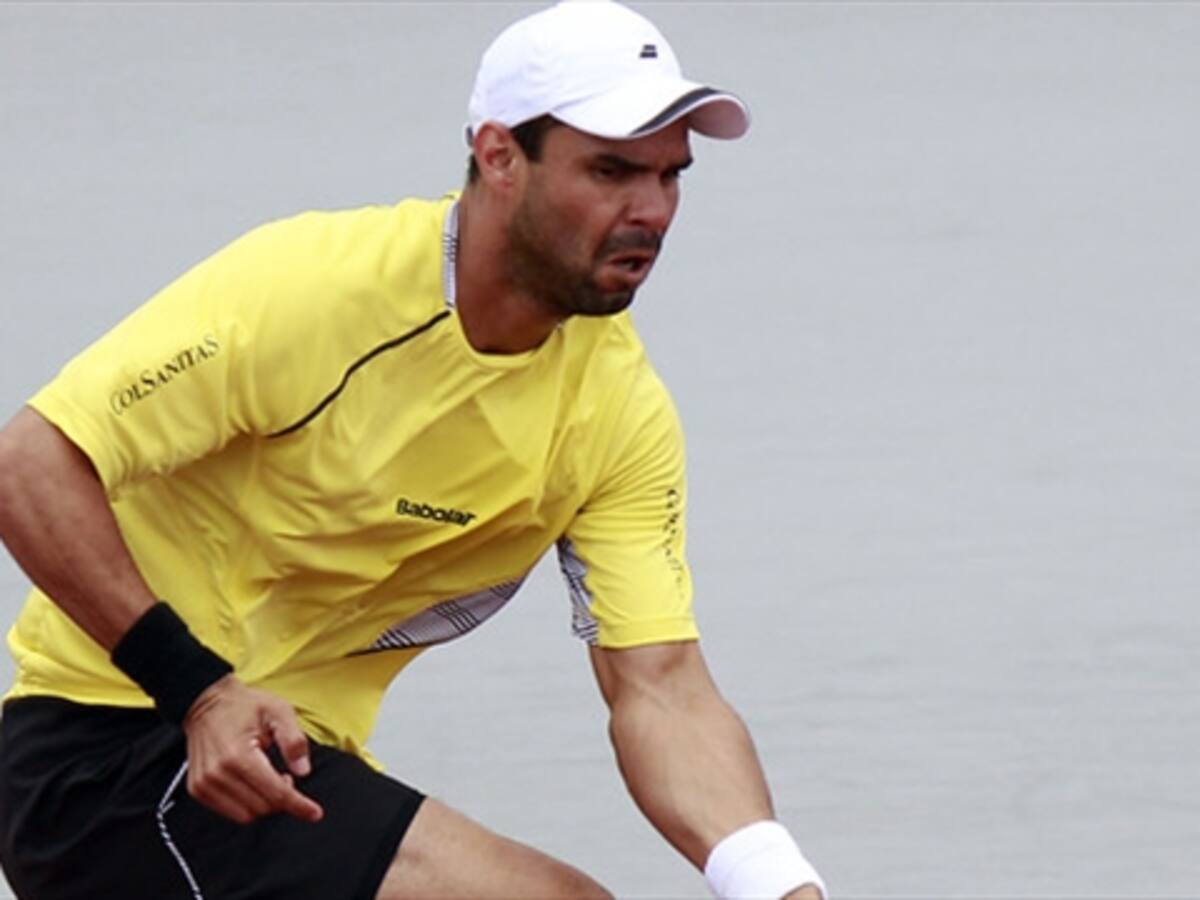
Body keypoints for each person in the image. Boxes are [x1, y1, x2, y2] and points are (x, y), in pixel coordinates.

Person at [0, 2, 827, 898]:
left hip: (294, 767)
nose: (652, 211)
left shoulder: (619, 413)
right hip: (111, 743)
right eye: (612, 171)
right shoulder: (314, 288)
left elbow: (661, 689)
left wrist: (778, 883)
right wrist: (199, 692)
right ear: (500, 155)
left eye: (672, 177)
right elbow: (28, 464)